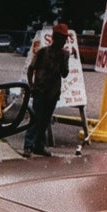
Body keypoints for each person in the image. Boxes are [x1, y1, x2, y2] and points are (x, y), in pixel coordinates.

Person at [24, 22, 70, 157]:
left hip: (53, 92)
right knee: (35, 118)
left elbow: (65, 74)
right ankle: (28, 145)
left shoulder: (64, 55)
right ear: (54, 37)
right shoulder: (43, 52)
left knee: (45, 119)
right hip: (40, 89)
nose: (63, 41)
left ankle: (39, 145)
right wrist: (31, 86)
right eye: (60, 38)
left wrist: (63, 60)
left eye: (65, 38)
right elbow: (31, 68)